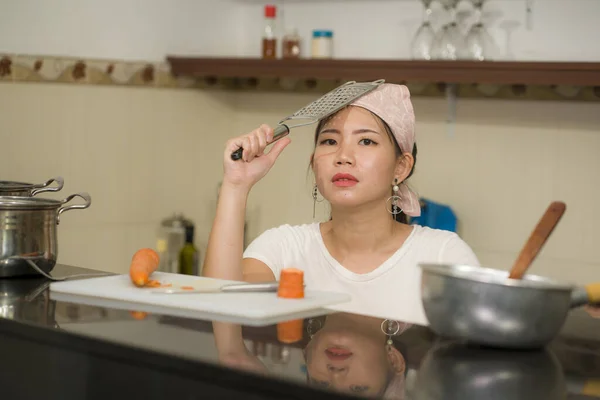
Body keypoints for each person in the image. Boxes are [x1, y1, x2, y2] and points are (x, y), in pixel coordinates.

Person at [203, 82, 479, 324]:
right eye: (330, 140)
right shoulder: (283, 247)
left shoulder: (443, 257)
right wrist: (235, 186)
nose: (343, 155)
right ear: (314, 163)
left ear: (401, 167)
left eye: (366, 141)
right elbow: (221, 304)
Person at [212, 313, 411, 400]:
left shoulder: (292, 291)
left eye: (322, 385)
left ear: (308, 351)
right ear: (393, 360)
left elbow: (232, 359)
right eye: (357, 390)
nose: (336, 375)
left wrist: (232, 351)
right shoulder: (424, 297)